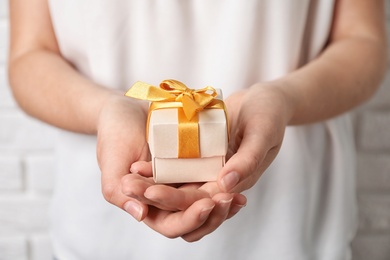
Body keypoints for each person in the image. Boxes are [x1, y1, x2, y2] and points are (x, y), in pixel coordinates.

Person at [8, 0, 387, 259]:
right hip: (102, 235)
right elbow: (30, 55)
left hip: (292, 230)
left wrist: (284, 98)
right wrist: (106, 108)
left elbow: (362, 41)